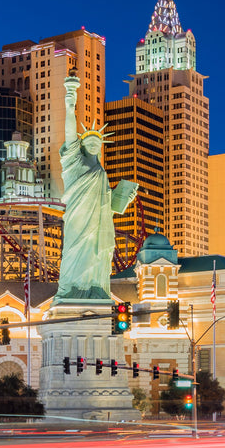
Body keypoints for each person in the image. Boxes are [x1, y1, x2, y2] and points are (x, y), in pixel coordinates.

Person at [55, 73, 137, 302]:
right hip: (78, 218)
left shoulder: (101, 172)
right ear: (81, 145)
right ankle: (73, 290)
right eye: (89, 142)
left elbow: (106, 205)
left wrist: (122, 200)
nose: (93, 144)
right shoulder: (74, 161)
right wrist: (70, 98)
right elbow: (70, 133)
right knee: (74, 252)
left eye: (97, 143)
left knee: (97, 255)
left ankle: (94, 288)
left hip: (99, 221)